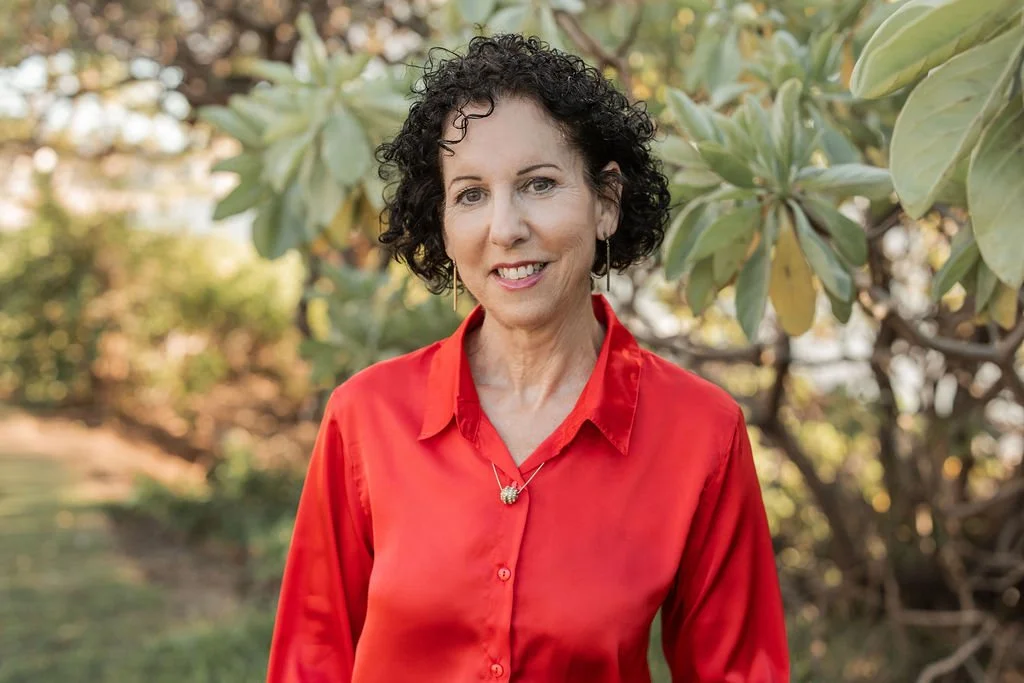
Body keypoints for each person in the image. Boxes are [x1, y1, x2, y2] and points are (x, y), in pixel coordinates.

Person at [266, 34, 789, 683]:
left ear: (606, 201)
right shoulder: (366, 418)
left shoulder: (701, 433)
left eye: (539, 184)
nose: (504, 227)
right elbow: (309, 661)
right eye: (471, 194)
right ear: (444, 222)